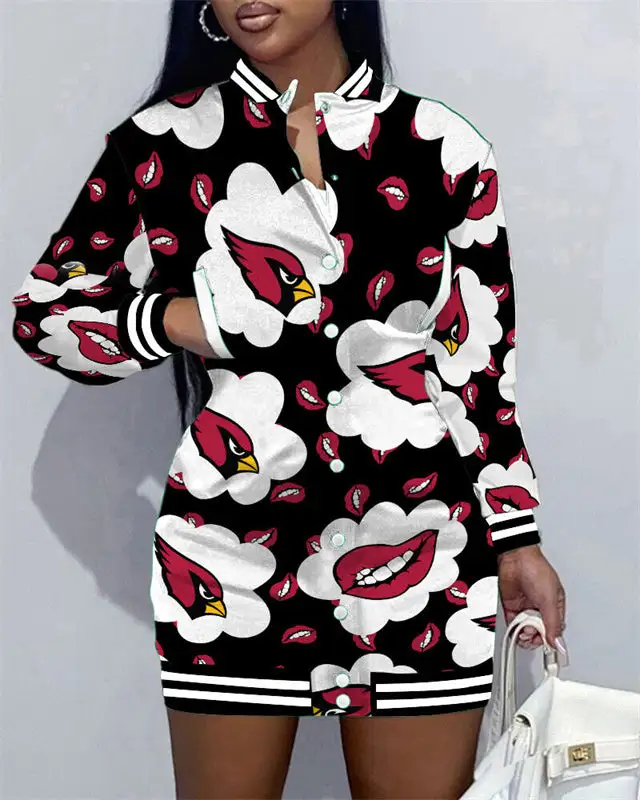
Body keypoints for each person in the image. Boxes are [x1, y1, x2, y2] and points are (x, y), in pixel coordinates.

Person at [10, 0, 567, 797]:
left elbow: (479, 368)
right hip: (228, 558)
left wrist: (516, 538)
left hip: (424, 551)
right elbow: (44, 313)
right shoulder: (160, 144)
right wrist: (177, 319)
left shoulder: (441, 146)